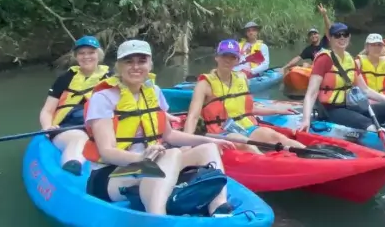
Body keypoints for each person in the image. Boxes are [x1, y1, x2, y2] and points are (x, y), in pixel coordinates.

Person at [83, 40, 237, 216]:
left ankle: (219, 207)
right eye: (128, 61)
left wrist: (210, 139)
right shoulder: (103, 98)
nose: (135, 67)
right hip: (111, 175)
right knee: (170, 154)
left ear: (150, 64)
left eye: (141, 61)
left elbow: (170, 136)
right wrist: (141, 158)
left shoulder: (153, 92)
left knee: (208, 148)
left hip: (151, 165)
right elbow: (107, 152)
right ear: (118, 66)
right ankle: (158, 217)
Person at [183, 39, 305, 153]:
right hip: (222, 132)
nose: (228, 60)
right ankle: (268, 165)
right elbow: (193, 117)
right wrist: (186, 144)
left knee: (277, 137)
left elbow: (248, 110)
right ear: (217, 57)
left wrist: (277, 110)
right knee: (247, 145)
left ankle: (313, 155)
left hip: (246, 126)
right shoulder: (204, 84)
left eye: (232, 57)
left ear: (237, 60)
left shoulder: (242, 78)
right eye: (224, 55)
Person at [39, 36, 112, 175]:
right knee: (79, 138)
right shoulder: (65, 79)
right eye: (82, 53)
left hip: (101, 125)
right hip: (70, 126)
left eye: (91, 52)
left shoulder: (112, 79)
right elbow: (47, 110)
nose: (86, 57)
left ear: (99, 54)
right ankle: (72, 166)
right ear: (76, 56)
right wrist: (47, 127)